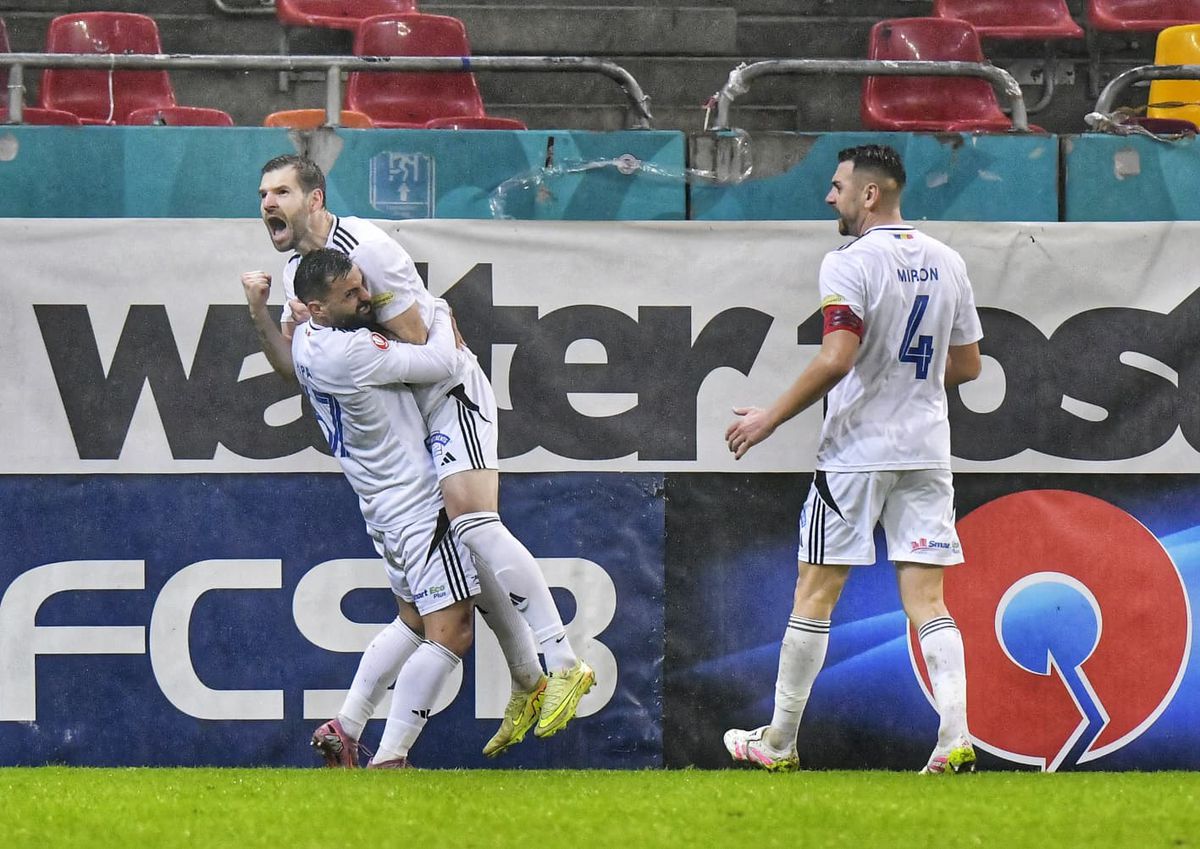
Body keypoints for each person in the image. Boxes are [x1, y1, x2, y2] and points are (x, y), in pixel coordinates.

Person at [241, 155, 593, 752]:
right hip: (413, 432)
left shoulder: (363, 252)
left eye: (282, 191)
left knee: (475, 528)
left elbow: (419, 347)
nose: (269, 202)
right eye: (263, 193)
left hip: (448, 393)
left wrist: (414, 319)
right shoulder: (309, 275)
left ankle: (559, 662)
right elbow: (321, 358)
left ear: (316, 199)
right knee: (463, 569)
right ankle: (529, 677)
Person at [722, 144, 983, 775]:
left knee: (815, 594)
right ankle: (954, 737)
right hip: (926, 449)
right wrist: (907, 383)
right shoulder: (948, 261)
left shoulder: (849, 262)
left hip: (856, 453)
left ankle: (778, 744)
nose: (829, 197)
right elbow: (969, 365)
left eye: (838, 186)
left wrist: (769, 417)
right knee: (929, 602)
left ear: (870, 194)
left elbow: (837, 356)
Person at [270, 248, 477, 768]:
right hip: (417, 503)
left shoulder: (305, 342)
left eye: (362, 285)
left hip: (379, 506)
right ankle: (390, 758)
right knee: (452, 631)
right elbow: (444, 361)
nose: (367, 298)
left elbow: (289, 322)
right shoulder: (354, 351)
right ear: (317, 307)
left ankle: (345, 725)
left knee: (410, 621)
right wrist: (441, 310)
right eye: (351, 294)